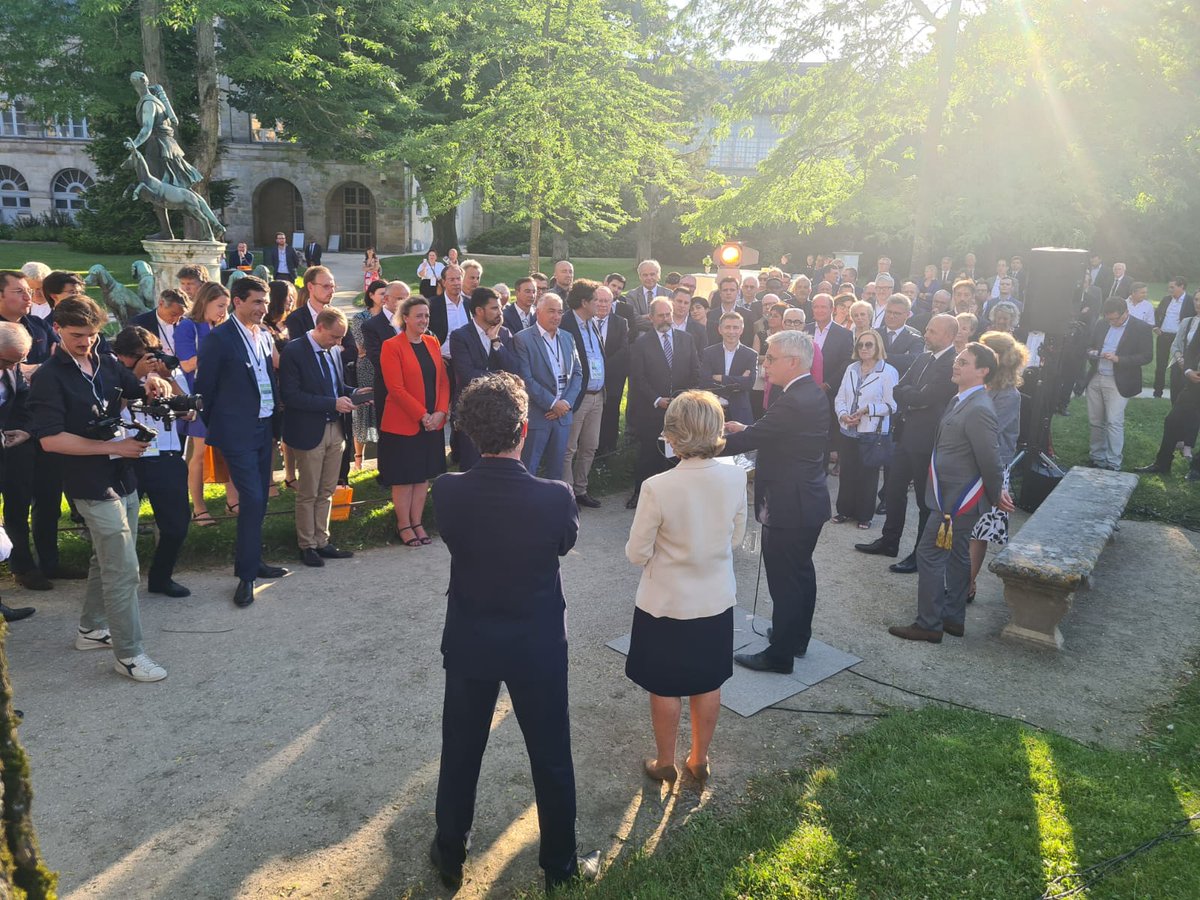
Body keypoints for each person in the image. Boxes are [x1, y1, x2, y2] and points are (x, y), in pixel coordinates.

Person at [428, 373, 599, 893]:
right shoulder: (554, 496)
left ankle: (450, 851)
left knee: (460, 748)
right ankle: (561, 866)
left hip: (471, 639)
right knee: (550, 753)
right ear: (524, 428)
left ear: (470, 432)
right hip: (536, 643)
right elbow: (564, 545)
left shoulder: (447, 489)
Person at [27, 297, 173, 681]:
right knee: (123, 568)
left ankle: (91, 629)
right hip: (87, 481)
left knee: (104, 559)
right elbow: (50, 440)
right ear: (56, 328)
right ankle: (130, 654)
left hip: (121, 474)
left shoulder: (105, 361)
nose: (86, 343)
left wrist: (151, 381)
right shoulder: (47, 377)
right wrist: (113, 446)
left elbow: (133, 392)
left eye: (92, 335)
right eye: (77, 336)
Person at [625, 391, 746, 786]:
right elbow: (736, 538)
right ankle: (700, 758)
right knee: (707, 680)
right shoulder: (734, 476)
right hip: (714, 596)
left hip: (666, 601)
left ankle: (664, 761)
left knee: (664, 684)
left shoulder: (658, 486)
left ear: (672, 436)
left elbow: (636, 552)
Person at [888, 342, 1013, 643]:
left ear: (983, 371)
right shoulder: (960, 399)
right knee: (957, 554)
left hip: (957, 498)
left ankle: (928, 623)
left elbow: (989, 457)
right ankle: (953, 618)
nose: (956, 365)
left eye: (964, 362)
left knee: (929, 553)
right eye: (957, 360)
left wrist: (997, 494)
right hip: (950, 493)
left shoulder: (980, 408)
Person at [722, 330, 830, 673]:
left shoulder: (794, 398)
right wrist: (748, 428)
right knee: (801, 573)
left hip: (789, 503)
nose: (764, 365)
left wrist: (699, 444)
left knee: (785, 580)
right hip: (807, 498)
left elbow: (756, 437)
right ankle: (796, 637)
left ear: (793, 362)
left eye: (770, 358)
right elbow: (773, 431)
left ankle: (779, 654)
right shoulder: (808, 392)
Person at [195, 276, 291, 608]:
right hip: (237, 432)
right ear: (237, 301)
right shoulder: (219, 339)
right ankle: (246, 576)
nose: (264, 308)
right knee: (250, 498)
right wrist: (221, 427)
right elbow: (204, 389)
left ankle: (253, 561)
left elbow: (266, 378)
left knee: (259, 499)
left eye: (265, 302)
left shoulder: (263, 335)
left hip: (265, 428)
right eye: (257, 302)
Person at [856, 314, 959, 569]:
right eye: (927, 328)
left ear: (949, 336)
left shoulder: (952, 363)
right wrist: (915, 397)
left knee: (925, 501)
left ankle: (920, 554)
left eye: (933, 331)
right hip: (906, 434)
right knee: (893, 489)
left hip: (928, 439)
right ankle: (890, 541)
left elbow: (930, 396)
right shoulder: (923, 357)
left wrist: (914, 396)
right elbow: (900, 389)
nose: (926, 334)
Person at [110, 326, 192, 598]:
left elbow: (189, 411)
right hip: (129, 456)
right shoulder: (112, 373)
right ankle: (120, 584)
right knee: (121, 531)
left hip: (166, 455)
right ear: (122, 356)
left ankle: (161, 577)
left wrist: (169, 377)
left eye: (152, 355)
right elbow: (111, 409)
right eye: (139, 356)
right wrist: (136, 378)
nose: (149, 361)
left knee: (177, 525)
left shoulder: (166, 371)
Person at [280, 306, 360, 567]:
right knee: (308, 491)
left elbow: (336, 386)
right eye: (335, 337)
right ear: (320, 327)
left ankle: (322, 540)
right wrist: (332, 403)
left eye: (341, 338)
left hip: (335, 428)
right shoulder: (294, 350)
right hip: (309, 429)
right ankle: (307, 545)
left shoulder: (333, 351)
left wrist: (356, 392)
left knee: (326, 489)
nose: (338, 343)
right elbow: (291, 396)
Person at [0, 271, 65, 588]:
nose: (29, 297)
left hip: (40, 427)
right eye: (19, 291)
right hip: (11, 438)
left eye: (30, 291)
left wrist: (31, 428)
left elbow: (55, 366)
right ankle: (22, 566)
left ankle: (50, 561)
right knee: (17, 500)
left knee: (49, 495)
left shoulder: (37, 326)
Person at [378, 296, 449, 547]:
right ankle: (403, 525)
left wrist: (440, 412)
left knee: (423, 476)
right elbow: (395, 388)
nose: (424, 320)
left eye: (427, 316)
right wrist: (422, 415)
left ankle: (417, 522)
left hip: (432, 423)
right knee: (405, 477)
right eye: (419, 315)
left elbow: (442, 380)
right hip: (404, 423)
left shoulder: (432, 342)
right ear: (405, 318)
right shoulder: (392, 346)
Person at [967, 331, 1027, 601]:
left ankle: (966, 584)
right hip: (967, 462)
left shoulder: (1008, 395)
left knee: (978, 530)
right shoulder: (980, 387)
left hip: (990, 467)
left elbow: (988, 433)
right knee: (963, 527)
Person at [625, 299, 700, 508]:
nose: (666, 319)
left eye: (668, 314)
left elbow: (695, 371)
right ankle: (640, 494)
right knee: (648, 454)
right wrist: (657, 400)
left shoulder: (686, 339)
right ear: (651, 318)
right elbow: (638, 378)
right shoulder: (641, 343)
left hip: (680, 410)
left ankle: (676, 497)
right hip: (652, 409)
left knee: (679, 454)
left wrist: (683, 398)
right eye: (661, 315)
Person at [175, 281, 238, 526]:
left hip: (226, 398)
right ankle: (199, 508)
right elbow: (188, 364)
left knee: (230, 450)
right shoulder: (188, 326)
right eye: (220, 305)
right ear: (205, 302)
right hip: (200, 398)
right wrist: (218, 353)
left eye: (226, 306)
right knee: (199, 455)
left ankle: (232, 500)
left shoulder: (225, 326)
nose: (224, 311)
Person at [513, 292, 581, 481]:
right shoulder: (523, 339)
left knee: (556, 470)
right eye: (551, 311)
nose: (556, 316)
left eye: (560, 312)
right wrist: (552, 403)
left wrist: (565, 403)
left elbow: (577, 373)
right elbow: (525, 378)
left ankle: (553, 508)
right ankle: (526, 509)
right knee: (529, 468)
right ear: (538, 312)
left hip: (562, 417)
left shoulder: (568, 337)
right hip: (538, 415)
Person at [833, 328, 897, 529]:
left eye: (869, 344)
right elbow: (840, 396)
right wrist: (843, 414)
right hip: (848, 429)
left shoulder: (888, 372)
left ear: (878, 346)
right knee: (847, 472)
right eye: (860, 345)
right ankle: (844, 511)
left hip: (872, 431)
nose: (864, 348)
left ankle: (864, 515)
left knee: (867, 475)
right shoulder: (851, 368)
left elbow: (892, 406)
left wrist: (867, 409)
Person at [448, 287, 516, 471]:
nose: (500, 313)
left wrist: (495, 342)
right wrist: (501, 377)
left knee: (498, 467)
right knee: (472, 466)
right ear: (479, 311)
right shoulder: (460, 336)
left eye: (500, 308)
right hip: (471, 411)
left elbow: (513, 368)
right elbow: (467, 374)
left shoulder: (504, 334)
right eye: (494, 308)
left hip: (500, 411)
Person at [1085, 297, 1153, 470]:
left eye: (1116, 319)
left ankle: (1113, 462)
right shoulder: (1102, 324)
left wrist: (1119, 359)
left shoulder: (1140, 328)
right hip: (1096, 376)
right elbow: (1090, 346)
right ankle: (1097, 457)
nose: (1113, 322)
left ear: (1126, 312)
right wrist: (1093, 352)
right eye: (1109, 319)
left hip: (1118, 380)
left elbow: (1147, 356)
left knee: (1114, 421)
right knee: (1095, 420)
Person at [1137, 300, 1200, 479]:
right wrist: (1187, 370)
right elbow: (1192, 349)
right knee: (1172, 420)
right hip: (1195, 382)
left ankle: (1197, 468)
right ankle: (1162, 463)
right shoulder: (1194, 323)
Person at [0, 323, 37, 621]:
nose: (13, 367)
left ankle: (22, 567)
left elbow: (25, 401)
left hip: (10, 455)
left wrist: (25, 430)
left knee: (16, 512)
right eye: (7, 361)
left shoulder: (13, 368)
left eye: (19, 361)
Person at [559, 280, 608, 506]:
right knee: (569, 447)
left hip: (597, 395)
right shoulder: (566, 323)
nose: (599, 304)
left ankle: (581, 489)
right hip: (577, 397)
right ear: (584, 302)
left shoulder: (592, 323)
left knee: (590, 446)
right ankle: (566, 493)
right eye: (596, 300)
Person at [350, 280, 389, 468]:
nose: (384, 297)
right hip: (366, 368)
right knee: (364, 408)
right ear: (371, 295)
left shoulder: (391, 317)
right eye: (381, 293)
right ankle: (358, 459)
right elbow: (362, 347)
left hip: (386, 367)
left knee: (383, 410)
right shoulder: (360, 317)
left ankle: (384, 456)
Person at [701, 312, 757, 426]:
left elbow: (749, 383)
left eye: (735, 327)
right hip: (713, 410)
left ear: (741, 330)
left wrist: (721, 378)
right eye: (727, 327)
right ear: (720, 330)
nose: (731, 332)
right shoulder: (708, 353)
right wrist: (738, 381)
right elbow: (705, 382)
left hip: (740, 412)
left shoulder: (750, 355)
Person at [594, 286, 630, 455]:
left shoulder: (621, 322)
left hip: (612, 378)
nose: (602, 305)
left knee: (610, 414)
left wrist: (602, 368)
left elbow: (623, 349)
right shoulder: (585, 321)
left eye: (606, 301)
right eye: (599, 300)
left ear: (612, 302)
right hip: (588, 380)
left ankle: (608, 450)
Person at [1153, 278, 1190, 399]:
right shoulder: (1166, 299)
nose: (1170, 290)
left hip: (1180, 338)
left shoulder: (1190, 301)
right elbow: (1156, 313)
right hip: (1164, 336)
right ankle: (1157, 393)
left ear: (1182, 287)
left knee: (1179, 365)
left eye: (1172, 287)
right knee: (1160, 365)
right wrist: (1156, 326)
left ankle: (1179, 393)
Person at [878, 295, 924, 377]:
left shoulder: (915, 338)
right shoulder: (874, 334)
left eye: (897, 313)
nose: (891, 316)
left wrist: (879, 356)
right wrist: (902, 357)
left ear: (908, 314)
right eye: (889, 312)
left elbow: (914, 361)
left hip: (899, 384)